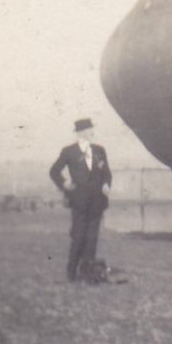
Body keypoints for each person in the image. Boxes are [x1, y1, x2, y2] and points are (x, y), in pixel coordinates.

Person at [49, 118, 112, 283]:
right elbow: (54, 171)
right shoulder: (68, 151)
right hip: (79, 201)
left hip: (97, 201)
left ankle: (87, 273)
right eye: (89, 129)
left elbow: (107, 173)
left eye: (91, 129)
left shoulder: (100, 150)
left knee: (92, 238)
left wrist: (106, 184)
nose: (92, 132)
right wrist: (64, 183)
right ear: (81, 133)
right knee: (78, 237)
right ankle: (71, 272)